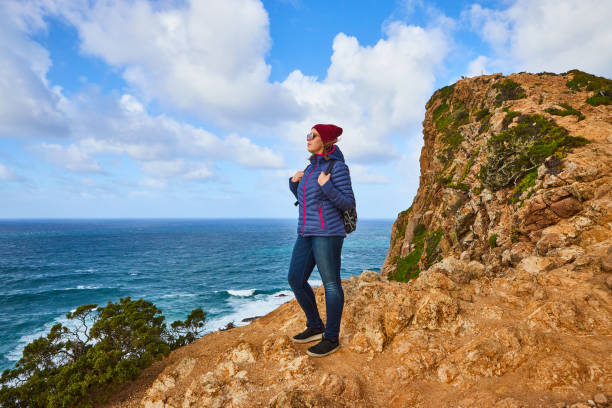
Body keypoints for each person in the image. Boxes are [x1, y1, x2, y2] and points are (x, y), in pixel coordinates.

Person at [287, 123, 356, 357]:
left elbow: (346, 202)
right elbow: (306, 200)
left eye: (312, 135)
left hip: (328, 233)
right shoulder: (310, 169)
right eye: (308, 134)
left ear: (325, 141)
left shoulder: (337, 167)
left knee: (331, 285)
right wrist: (293, 184)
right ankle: (315, 325)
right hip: (306, 232)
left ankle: (331, 338)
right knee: (295, 279)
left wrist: (327, 186)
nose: (307, 138)